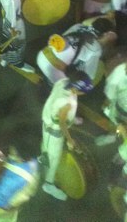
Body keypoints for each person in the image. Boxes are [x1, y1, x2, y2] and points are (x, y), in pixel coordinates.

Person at [40, 70, 93, 201]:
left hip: (48, 120)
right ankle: (48, 184)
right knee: (54, 158)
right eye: (82, 91)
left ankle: (44, 156)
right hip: (54, 132)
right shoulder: (66, 102)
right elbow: (62, 122)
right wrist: (69, 140)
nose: (83, 94)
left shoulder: (63, 82)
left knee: (46, 147)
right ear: (75, 88)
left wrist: (72, 118)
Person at [0, 136, 39, 222]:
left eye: (13, 151)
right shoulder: (33, 164)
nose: (11, 151)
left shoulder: (11, 181)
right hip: (12, 206)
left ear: (18, 156)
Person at [0, 0, 36, 73]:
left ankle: (4, 58)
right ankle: (17, 63)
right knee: (19, 43)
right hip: (14, 21)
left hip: (6, 17)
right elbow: (12, 13)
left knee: (6, 39)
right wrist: (13, 29)